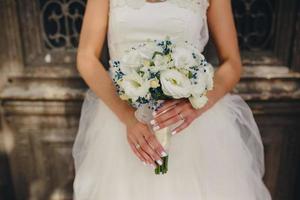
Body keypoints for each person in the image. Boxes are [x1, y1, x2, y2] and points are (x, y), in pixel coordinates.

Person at [72, 0, 272, 199]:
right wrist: (127, 116)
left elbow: (232, 63)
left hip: (191, 126)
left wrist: (198, 105)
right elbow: (86, 57)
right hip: (122, 123)